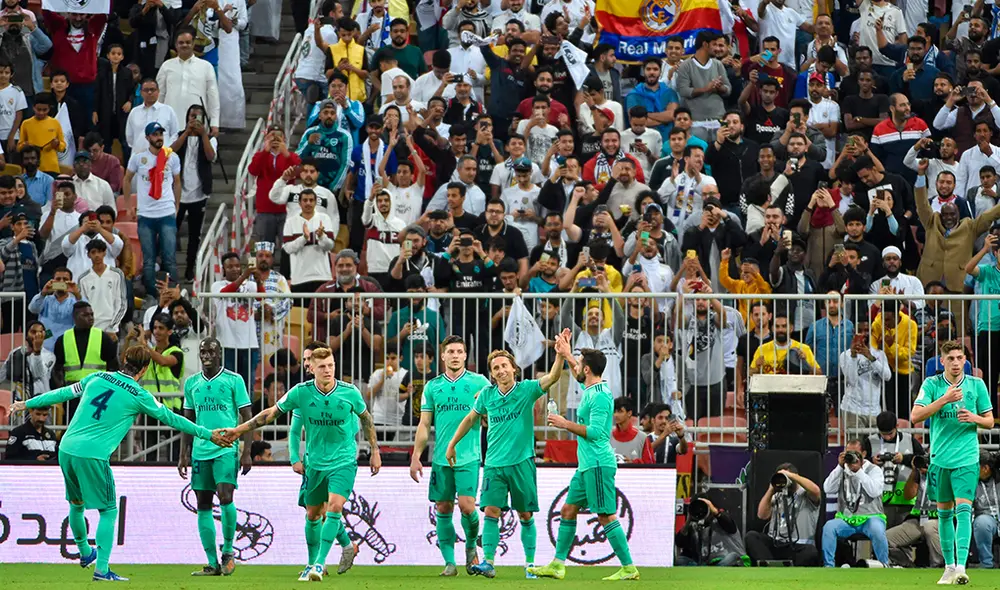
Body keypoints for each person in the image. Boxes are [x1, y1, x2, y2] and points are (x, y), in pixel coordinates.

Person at [9, 346, 231, 582]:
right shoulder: (139, 394)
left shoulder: (96, 377)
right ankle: (102, 570)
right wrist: (208, 434)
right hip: (93, 454)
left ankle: (85, 552)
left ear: (124, 359)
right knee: (108, 510)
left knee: (76, 503)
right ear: (144, 369)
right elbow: (172, 418)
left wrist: (27, 404)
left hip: (66, 448)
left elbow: (63, 393)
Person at [223, 347, 380, 582]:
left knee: (334, 507)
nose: (328, 370)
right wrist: (238, 430)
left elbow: (366, 419)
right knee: (313, 514)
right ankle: (322, 556)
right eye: (322, 366)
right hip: (315, 462)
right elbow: (270, 414)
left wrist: (375, 450)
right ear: (312, 368)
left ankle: (319, 564)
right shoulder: (301, 392)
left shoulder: (350, 392)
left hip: (344, 460)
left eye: (331, 365)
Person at [445, 344, 567, 578]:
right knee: (491, 511)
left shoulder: (527, 390)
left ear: (514, 368)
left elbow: (552, 377)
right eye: (495, 368)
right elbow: (470, 419)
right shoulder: (487, 395)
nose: (500, 371)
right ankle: (489, 562)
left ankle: (530, 565)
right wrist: (452, 444)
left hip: (521, 462)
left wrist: (560, 355)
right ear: (492, 374)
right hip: (493, 464)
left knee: (525, 515)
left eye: (504, 366)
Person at [530, 345, 640, 581]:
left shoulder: (599, 396)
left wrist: (564, 424)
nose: (576, 367)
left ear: (587, 369)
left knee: (605, 515)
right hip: (586, 465)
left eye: (579, 364)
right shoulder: (590, 389)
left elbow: (597, 433)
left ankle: (629, 567)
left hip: (598, 463)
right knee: (568, 510)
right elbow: (578, 373)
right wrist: (567, 353)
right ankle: (558, 565)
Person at [910, 340, 995, 584]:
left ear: (965, 361)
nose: (956, 363)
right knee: (944, 515)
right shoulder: (932, 384)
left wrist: (974, 418)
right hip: (939, 459)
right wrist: (944, 400)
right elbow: (915, 416)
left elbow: (990, 421)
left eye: (959, 358)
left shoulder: (976, 385)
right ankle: (948, 567)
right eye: (951, 359)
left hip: (966, 458)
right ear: (942, 361)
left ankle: (961, 567)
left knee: (964, 510)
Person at [409, 336, 491, 575]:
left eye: (459, 351)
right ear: (443, 356)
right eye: (451, 352)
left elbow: (492, 414)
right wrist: (416, 456)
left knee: (467, 506)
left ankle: (471, 546)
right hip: (440, 459)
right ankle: (450, 563)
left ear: (465, 355)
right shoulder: (432, 387)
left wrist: (486, 410)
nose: (455, 355)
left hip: (469, 457)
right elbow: (425, 424)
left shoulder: (480, 383)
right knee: (443, 508)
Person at [178, 338, 253, 576]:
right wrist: (183, 454)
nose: (207, 355)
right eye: (203, 351)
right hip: (200, 450)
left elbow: (247, 417)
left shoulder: (234, 380)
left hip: (226, 448)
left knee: (225, 495)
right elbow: (187, 421)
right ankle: (212, 563)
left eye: (211, 351)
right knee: (202, 503)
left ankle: (228, 551)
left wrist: (247, 452)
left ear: (220, 354)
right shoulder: (192, 383)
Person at [123, 122, 182, 299]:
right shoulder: (138, 158)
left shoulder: (172, 157)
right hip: (146, 214)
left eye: (160, 134)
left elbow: (177, 182)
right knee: (148, 260)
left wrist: (177, 206)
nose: (159, 138)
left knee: (169, 257)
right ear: (147, 137)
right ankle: (152, 295)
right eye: (155, 135)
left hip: (166, 212)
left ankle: (173, 293)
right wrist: (128, 205)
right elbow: (127, 179)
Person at [821, 439, 890, 567]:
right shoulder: (842, 470)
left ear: (863, 454)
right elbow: (827, 489)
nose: (851, 456)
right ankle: (828, 566)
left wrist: (859, 472)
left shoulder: (874, 470)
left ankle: (884, 565)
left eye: (855, 453)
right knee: (829, 527)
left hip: (871, 517)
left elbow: (874, 491)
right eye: (849, 453)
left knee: (877, 530)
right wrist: (839, 467)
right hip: (847, 519)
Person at [171, 104, 217, 281]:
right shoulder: (179, 135)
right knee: (171, 233)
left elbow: (211, 156)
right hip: (178, 194)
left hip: (199, 194)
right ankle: (169, 269)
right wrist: (186, 133)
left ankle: (190, 268)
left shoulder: (210, 138)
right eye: (192, 116)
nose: (194, 120)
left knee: (194, 235)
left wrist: (203, 134)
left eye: (198, 117)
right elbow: (170, 152)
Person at [744, 463, 822, 566]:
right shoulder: (777, 495)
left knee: (810, 552)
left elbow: (816, 491)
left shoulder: (806, 494)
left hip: (798, 546)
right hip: (776, 543)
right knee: (751, 536)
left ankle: (792, 572)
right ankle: (770, 568)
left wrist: (791, 476)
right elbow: (762, 515)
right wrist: (771, 490)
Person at [862, 411, 928, 528]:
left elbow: (923, 461)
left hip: (906, 500)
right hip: (879, 502)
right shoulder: (870, 442)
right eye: (883, 434)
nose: (887, 437)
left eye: (890, 433)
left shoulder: (909, 439)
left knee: (903, 536)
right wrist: (871, 461)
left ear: (897, 426)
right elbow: (858, 465)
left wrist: (904, 459)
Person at [156, 27, 221, 137]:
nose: (184, 45)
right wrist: (157, 119)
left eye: (188, 42)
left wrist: (214, 123)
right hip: (170, 120)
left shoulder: (206, 66)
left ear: (193, 43)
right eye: (181, 43)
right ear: (176, 45)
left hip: (197, 121)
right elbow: (160, 95)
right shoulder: (166, 66)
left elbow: (213, 97)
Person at [886, 453, 941, 568]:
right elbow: (908, 495)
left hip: (942, 519)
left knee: (929, 527)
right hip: (918, 519)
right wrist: (915, 472)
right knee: (885, 539)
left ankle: (939, 566)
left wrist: (934, 473)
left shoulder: (948, 471)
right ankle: (908, 566)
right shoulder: (920, 474)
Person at [840, 319, 892, 430]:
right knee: (855, 441)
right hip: (852, 410)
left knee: (874, 441)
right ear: (854, 333)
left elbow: (887, 377)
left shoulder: (879, 354)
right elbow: (852, 381)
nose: (864, 333)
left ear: (871, 332)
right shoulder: (845, 355)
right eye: (860, 331)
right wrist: (853, 357)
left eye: (866, 330)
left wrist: (871, 358)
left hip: (874, 411)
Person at [77, 240, 127, 334]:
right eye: (93, 252)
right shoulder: (83, 279)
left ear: (104, 253)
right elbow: (83, 305)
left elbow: (122, 303)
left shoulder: (117, 274)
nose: (97, 255)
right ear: (88, 255)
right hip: (91, 328)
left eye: (99, 252)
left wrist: (112, 327)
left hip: (112, 328)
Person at [0, 320, 55, 401]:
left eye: (40, 332)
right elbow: (2, 375)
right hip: (19, 400)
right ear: (26, 335)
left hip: (40, 401)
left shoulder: (49, 356)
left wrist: (37, 352)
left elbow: (37, 374)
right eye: (33, 332)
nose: (37, 335)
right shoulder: (16, 352)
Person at [16, 92, 64, 175]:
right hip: (31, 166)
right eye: (38, 109)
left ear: (49, 108)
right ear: (33, 107)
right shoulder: (26, 123)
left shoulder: (55, 123)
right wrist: (25, 145)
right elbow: (19, 148)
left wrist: (57, 144)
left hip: (51, 166)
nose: (41, 112)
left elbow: (62, 147)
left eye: (45, 110)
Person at [972, 452, 999, 569]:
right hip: (986, 519)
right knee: (982, 523)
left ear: (986, 468)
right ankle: (986, 563)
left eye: (976, 466)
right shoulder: (972, 482)